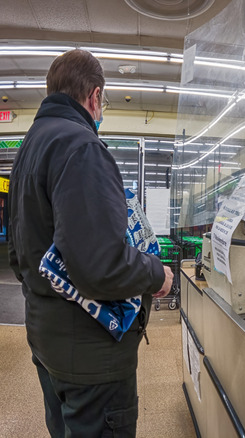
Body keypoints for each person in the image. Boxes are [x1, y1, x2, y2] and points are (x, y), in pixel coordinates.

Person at [8, 49, 173, 437]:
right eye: (104, 103)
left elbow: (18, 255)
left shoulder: (28, 149)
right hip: (91, 357)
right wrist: (156, 274)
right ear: (95, 96)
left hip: (47, 338)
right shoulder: (81, 147)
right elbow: (102, 265)